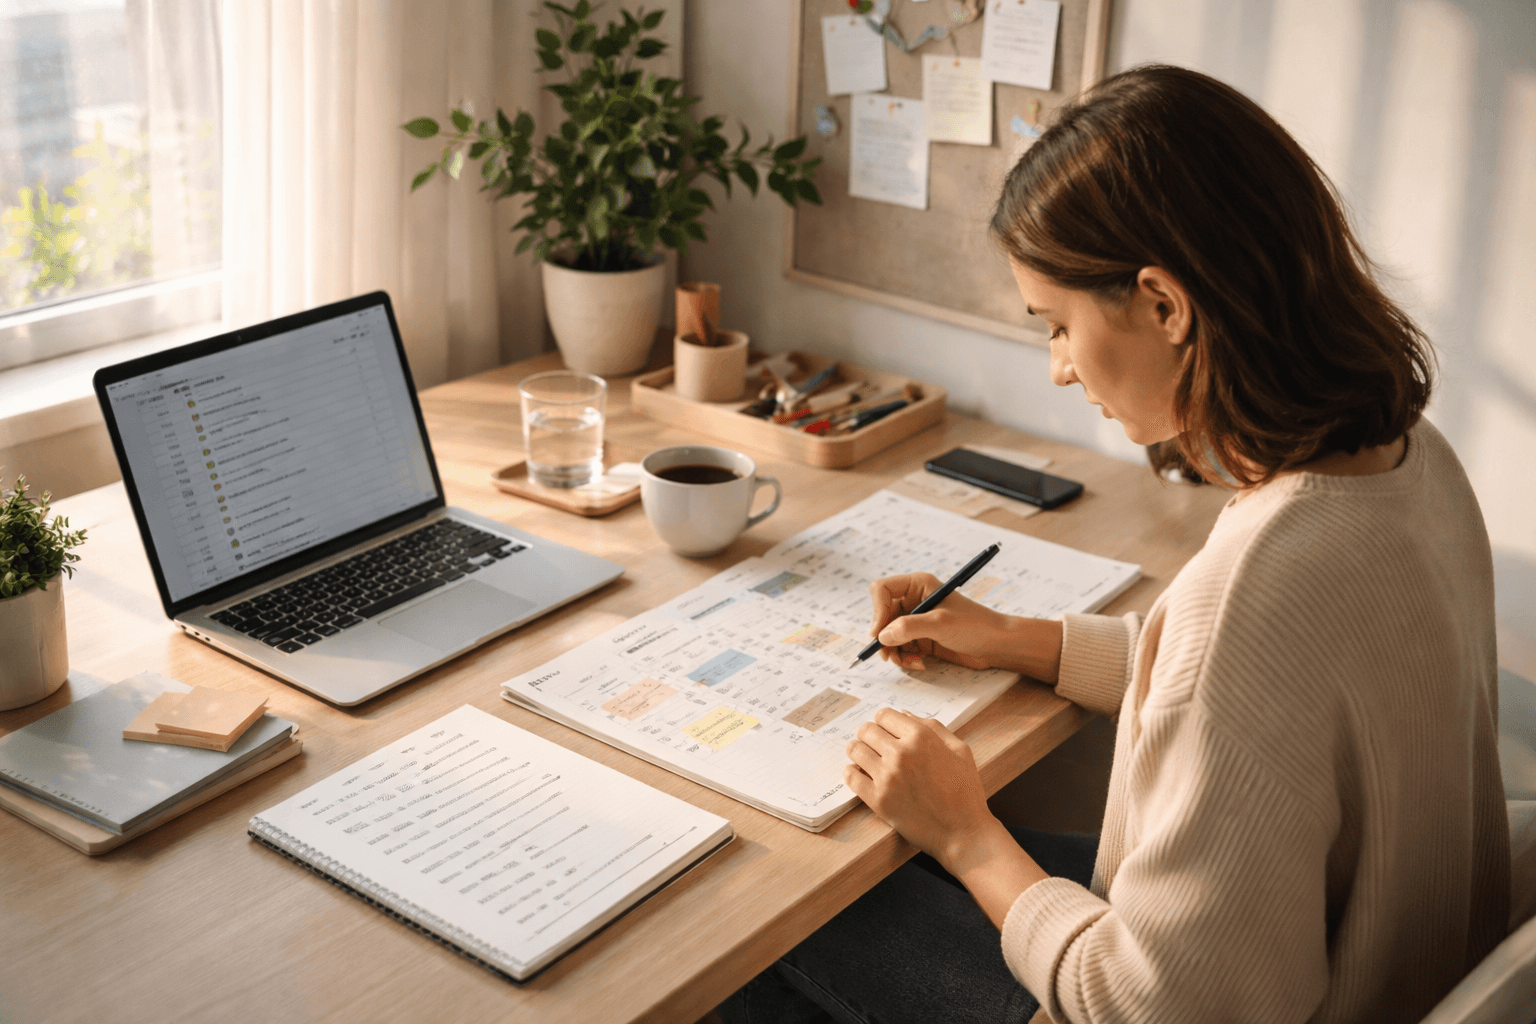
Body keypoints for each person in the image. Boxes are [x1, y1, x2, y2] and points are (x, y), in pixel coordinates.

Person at [719, 64, 1508, 1024]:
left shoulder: (1260, 589)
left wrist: (967, 836)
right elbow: (1259, 702)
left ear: (1165, 304)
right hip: (1364, 954)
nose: (1057, 369)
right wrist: (1015, 637)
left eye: (1057, 326)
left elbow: (1150, 1005)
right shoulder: (1412, 461)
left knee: (763, 915)